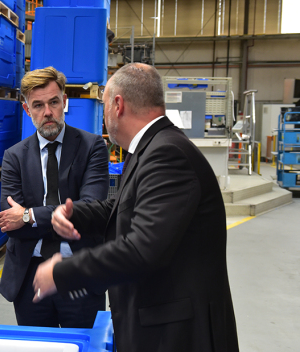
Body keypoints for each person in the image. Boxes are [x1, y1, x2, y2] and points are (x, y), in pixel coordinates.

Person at [35, 63, 240, 351]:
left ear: (117, 104)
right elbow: (122, 209)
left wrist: (63, 272)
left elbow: (141, 250)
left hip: (178, 336)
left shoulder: (167, 155)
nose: (104, 118)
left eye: (104, 105)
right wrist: (75, 214)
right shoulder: (151, 149)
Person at [0, 66, 109, 328]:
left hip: (78, 270)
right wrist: (56, 217)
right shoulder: (14, 156)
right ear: (27, 110)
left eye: (54, 102)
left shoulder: (92, 147)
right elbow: (9, 222)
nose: (47, 112)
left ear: (64, 102)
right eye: (37, 105)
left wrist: (29, 214)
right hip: (30, 277)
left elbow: (91, 210)